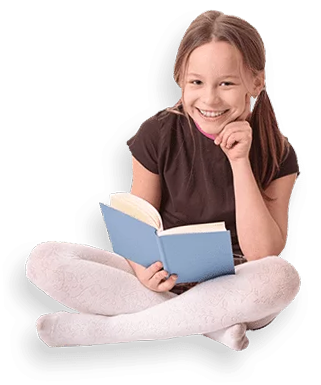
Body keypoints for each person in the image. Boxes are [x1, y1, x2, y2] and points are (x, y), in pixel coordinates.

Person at [25, 10, 301, 352]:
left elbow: (262, 252)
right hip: (163, 280)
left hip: (234, 287)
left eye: (226, 83)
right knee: (44, 260)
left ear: (256, 82)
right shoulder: (157, 132)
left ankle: (107, 330)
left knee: (280, 278)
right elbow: (138, 220)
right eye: (196, 82)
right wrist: (142, 269)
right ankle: (211, 329)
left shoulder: (278, 152)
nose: (210, 99)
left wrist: (240, 161)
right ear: (180, 79)